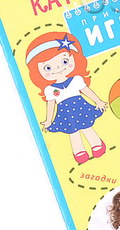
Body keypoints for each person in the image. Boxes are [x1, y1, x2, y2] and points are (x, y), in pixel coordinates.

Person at [25, 32, 107, 164]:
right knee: (72, 131)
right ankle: (79, 151)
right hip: (65, 112)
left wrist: (98, 101)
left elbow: (86, 91)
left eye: (64, 61)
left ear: (74, 58)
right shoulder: (49, 89)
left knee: (86, 126)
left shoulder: (76, 79)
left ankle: (96, 144)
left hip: (80, 107)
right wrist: (48, 120)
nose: (58, 68)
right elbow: (50, 104)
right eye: (48, 67)